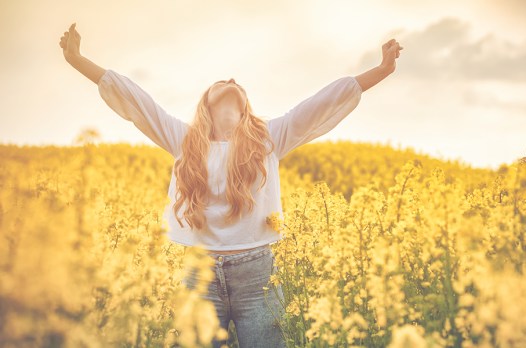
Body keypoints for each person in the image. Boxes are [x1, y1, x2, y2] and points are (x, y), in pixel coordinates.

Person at [59, 22, 402, 348]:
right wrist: (77, 60)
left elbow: (324, 102)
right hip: (199, 277)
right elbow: (135, 100)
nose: (231, 79)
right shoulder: (183, 140)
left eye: (236, 82)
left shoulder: (269, 139)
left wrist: (383, 70)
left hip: (257, 275)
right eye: (222, 81)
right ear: (206, 103)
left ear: (244, 107)